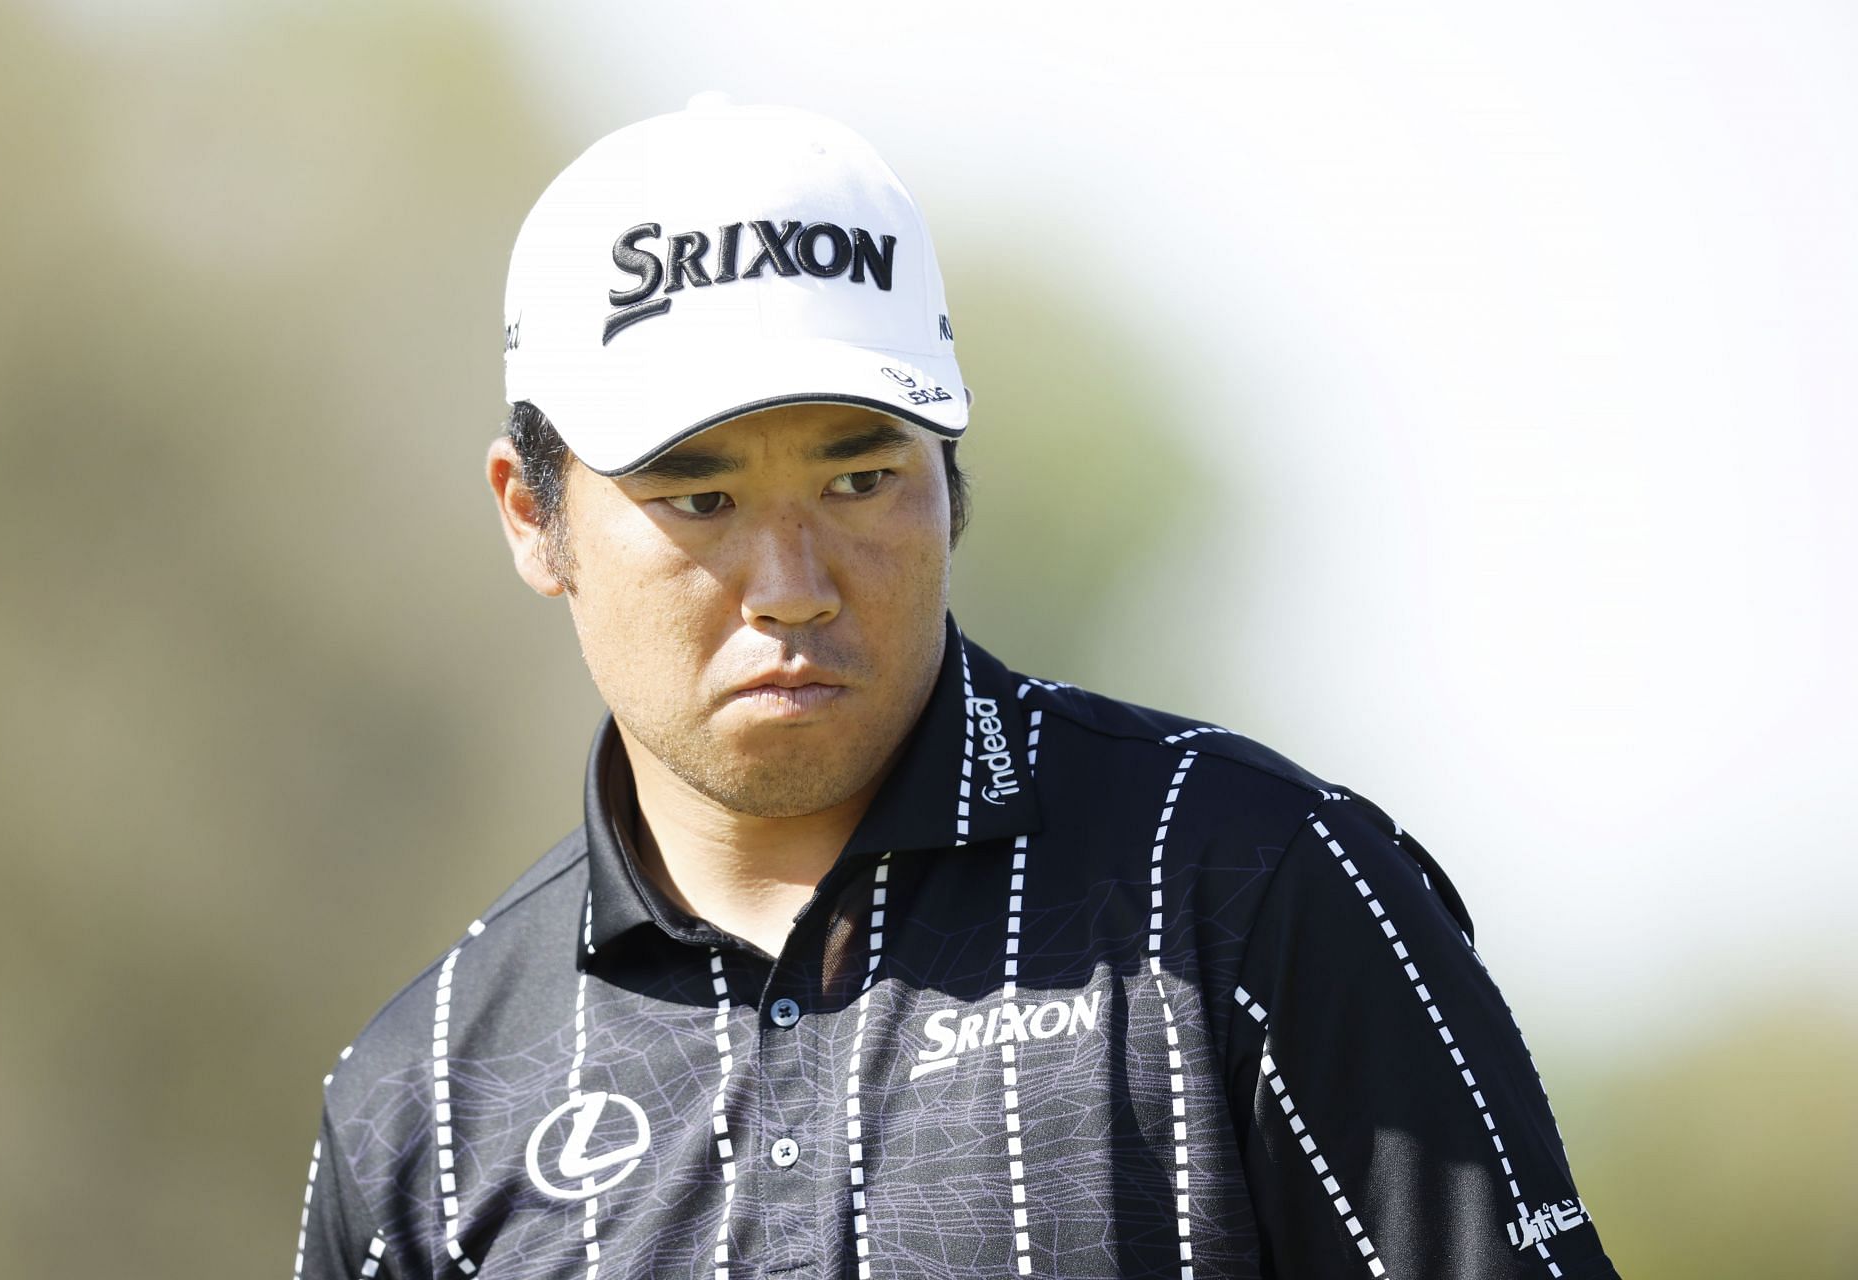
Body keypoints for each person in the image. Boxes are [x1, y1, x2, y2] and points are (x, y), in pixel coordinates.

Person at [293, 94, 1620, 1280]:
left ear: (949, 474)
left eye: (861, 477)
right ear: (534, 518)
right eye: (700, 494)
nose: (794, 582)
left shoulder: (1253, 893)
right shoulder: (426, 1109)